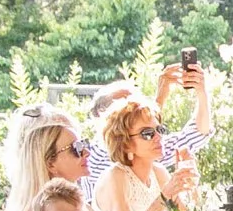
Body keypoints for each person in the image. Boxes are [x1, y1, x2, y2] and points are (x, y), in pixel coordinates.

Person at [3, 113, 112, 211]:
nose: (86, 153)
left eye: (84, 145)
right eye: (76, 149)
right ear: (51, 163)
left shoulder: (71, 204)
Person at [93, 93, 199, 211]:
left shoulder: (159, 172)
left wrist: (191, 186)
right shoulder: (115, 177)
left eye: (159, 130)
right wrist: (164, 196)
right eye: (147, 133)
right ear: (125, 142)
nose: (158, 137)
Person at [82, 63, 214, 185]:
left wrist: (201, 91)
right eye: (128, 106)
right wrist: (159, 100)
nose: (136, 109)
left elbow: (197, 133)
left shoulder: (147, 148)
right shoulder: (95, 157)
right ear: (105, 116)